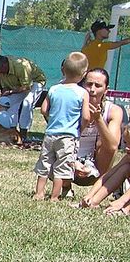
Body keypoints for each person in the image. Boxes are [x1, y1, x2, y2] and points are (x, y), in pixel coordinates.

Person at [32, 52, 90, 201]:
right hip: (69, 137)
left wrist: (51, 120)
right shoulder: (82, 93)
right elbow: (86, 117)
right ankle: (55, 196)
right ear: (84, 74)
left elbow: (44, 109)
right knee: (62, 167)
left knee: (45, 163)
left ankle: (39, 193)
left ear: (63, 69)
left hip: (50, 134)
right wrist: (80, 129)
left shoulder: (54, 89)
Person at [72, 67, 123, 185]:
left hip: (95, 164)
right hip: (69, 157)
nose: (92, 89)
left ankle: (99, 183)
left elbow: (113, 146)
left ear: (106, 90)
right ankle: (65, 185)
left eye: (98, 85)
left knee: (106, 144)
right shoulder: (72, 105)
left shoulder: (114, 110)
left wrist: (98, 118)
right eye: (89, 84)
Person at [0, 54, 47, 142]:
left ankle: (24, 133)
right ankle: (12, 131)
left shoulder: (21, 66)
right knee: (7, 102)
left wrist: (11, 92)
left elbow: (26, 87)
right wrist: (4, 94)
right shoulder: (1, 71)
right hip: (19, 85)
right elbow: (5, 86)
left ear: (4, 65)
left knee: (27, 103)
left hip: (35, 82)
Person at [76, 125, 130, 213]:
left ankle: (125, 210)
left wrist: (121, 202)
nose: (127, 147)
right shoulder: (128, 157)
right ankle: (93, 203)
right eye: (126, 143)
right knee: (124, 168)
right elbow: (107, 176)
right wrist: (90, 195)